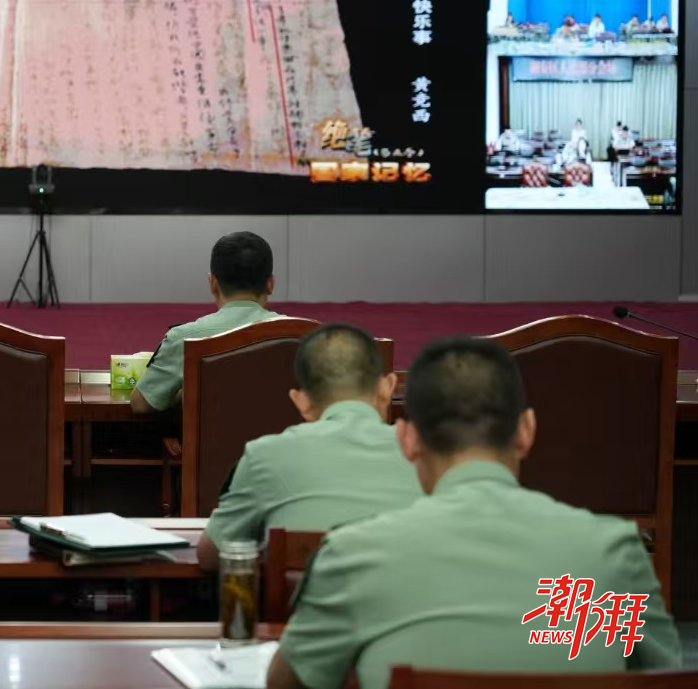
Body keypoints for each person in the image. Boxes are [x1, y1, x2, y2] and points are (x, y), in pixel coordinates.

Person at [266, 337, 680, 689]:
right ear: (526, 430)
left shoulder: (353, 554)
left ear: (407, 440)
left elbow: (289, 683)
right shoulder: (613, 552)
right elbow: (664, 678)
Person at [196, 324, 420, 571]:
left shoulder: (265, 456)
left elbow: (210, 555)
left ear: (301, 402)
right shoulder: (429, 455)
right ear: (388, 387)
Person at [130, 232, 279, 414]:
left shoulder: (185, 339)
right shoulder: (304, 337)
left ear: (212, 283)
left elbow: (141, 404)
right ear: (271, 284)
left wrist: (186, 392)